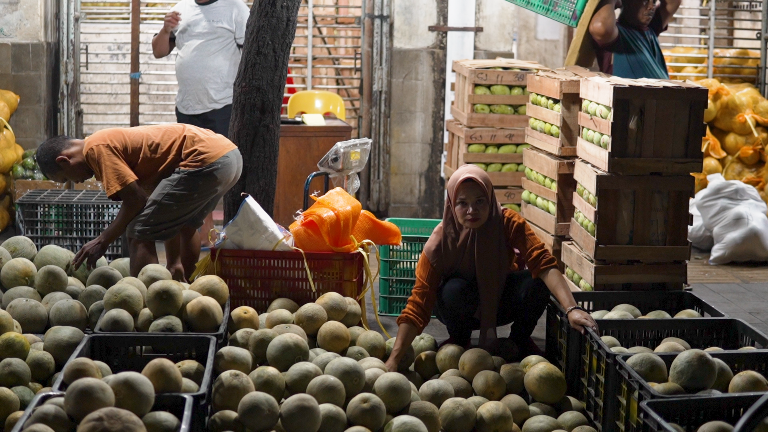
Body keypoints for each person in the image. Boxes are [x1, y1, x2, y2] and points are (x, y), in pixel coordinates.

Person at [385, 165, 597, 371]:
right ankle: (459, 339)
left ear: (490, 198)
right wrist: (394, 359)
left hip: (499, 298)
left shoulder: (507, 222)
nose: (471, 210)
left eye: (480, 201)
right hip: (459, 306)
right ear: (451, 204)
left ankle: (518, 341)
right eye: (462, 203)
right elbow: (418, 303)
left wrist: (572, 308)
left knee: (537, 283)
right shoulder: (438, 243)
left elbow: (542, 261)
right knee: (452, 290)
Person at [35, 124, 243, 281]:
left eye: (67, 178)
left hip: (207, 159)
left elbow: (136, 201)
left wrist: (103, 240)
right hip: (228, 156)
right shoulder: (102, 143)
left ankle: (147, 301)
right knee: (186, 226)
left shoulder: (96, 149)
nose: (77, 182)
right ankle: (185, 286)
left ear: (64, 160)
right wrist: (173, 263)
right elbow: (169, 216)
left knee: (138, 230)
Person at [151, 0, 250, 247]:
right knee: (194, 171)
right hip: (187, 107)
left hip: (223, 105)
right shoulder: (181, 8)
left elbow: (249, 53)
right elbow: (159, 50)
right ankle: (205, 230)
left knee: (226, 171)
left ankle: (234, 231)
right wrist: (165, 30)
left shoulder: (235, 8)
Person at [588, 0, 680, 79]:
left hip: (662, 98)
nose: (651, 7)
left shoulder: (651, 28)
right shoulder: (616, 34)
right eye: (645, 1)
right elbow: (599, 27)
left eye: (654, 1)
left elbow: (673, 2)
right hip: (629, 98)